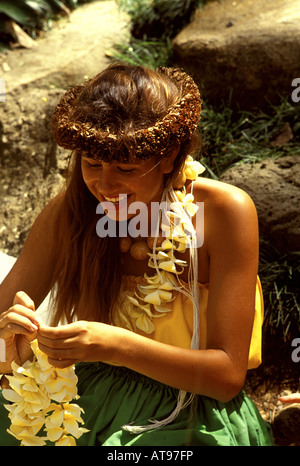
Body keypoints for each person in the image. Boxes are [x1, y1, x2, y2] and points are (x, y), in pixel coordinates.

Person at [0, 63, 274, 446]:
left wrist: (113, 346)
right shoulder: (69, 212)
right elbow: (1, 338)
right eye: (91, 164)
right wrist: (13, 345)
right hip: (85, 397)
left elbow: (227, 378)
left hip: (193, 412)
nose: (104, 185)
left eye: (125, 168)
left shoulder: (223, 213)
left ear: (169, 156)